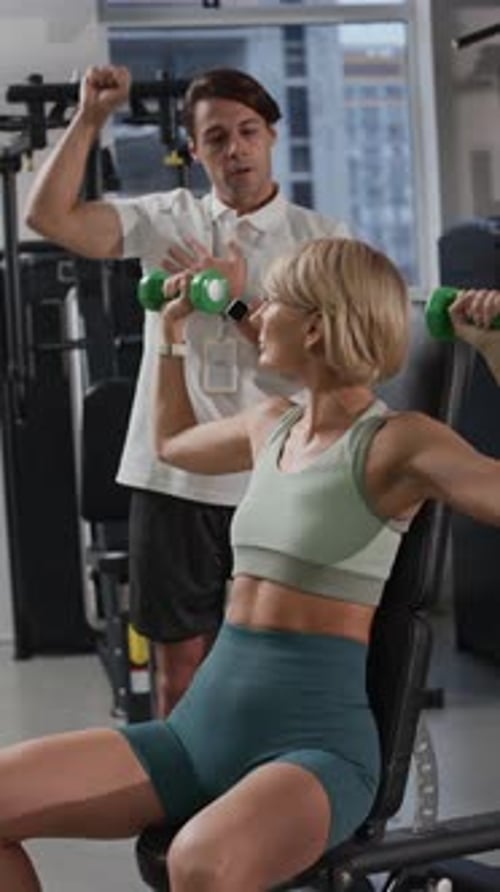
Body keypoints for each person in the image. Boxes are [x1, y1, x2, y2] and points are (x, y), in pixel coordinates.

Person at [3, 236, 500, 891]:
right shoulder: (271, 424)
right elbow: (173, 443)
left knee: (199, 861)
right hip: (196, 735)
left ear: (319, 326)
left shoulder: (398, 443)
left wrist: (494, 350)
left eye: (276, 304)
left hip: (314, 751)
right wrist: (168, 329)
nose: (256, 314)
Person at [24, 64, 350, 717]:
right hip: (174, 482)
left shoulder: (321, 240)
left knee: (276, 667)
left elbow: (329, 366)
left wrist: (232, 302)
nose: (235, 150)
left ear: (272, 137)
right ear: (194, 151)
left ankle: (258, 809)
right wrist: (91, 117)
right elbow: (48, 216)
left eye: (248, 132)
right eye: (217, 138)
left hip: (277, 482)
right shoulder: (166, 220)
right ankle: (181, 813)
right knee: (177, 675)